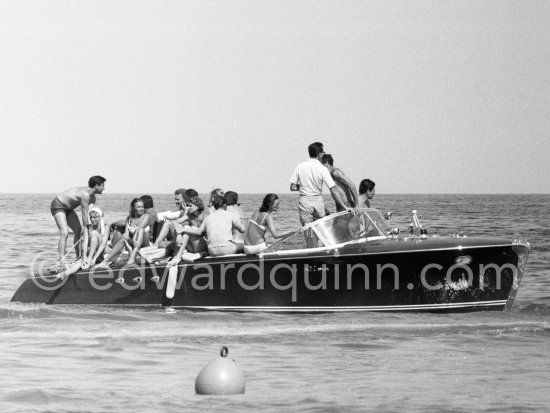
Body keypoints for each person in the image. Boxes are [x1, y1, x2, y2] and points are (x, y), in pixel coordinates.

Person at [50, 175, 106, 268]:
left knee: (78, 231)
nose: (104, 188)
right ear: (96, 186)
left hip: (68, 209)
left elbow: (91, 213)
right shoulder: (85, 194)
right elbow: (84, 213)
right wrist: (86, 228)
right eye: (102, 186)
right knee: (64, 232)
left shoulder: (92, 198)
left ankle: (78, 256)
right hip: (58, 205)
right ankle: (62, 260)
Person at [289, 142, 351, 226]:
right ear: (319, 154)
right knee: (320, 228)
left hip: (305, 201)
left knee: (308, 230)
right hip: (317, 200)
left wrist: (304, 186)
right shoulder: (322, 169)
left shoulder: (300, 166)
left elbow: (292, 187)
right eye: (322, 152)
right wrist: (345, 207)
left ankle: (310, 239)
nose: (323, 154)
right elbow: (333, 190)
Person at [94, 198, 151, 273]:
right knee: (124, 236)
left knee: (140, 230)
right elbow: (126, 234)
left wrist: (134, 238)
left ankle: (132, 259)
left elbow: (140, 227)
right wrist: (126, 242)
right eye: (138, 207)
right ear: (133, 208)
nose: (141, 209)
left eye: (142, 207)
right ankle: (105, 261)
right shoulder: (129, 218)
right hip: (133, 244)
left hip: (143, 243)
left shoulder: (146, 216)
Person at [167, 196, 208, 267]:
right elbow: (175, 222)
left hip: (201, 246)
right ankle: (178, 254)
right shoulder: (189, 216)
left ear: (197, 207)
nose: (188, 208)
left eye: (190, 206)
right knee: (181, 227)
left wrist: (182, 230)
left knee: (186, 228)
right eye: (188, 206)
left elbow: (199, 232)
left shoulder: (204, 217)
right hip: (192, 247)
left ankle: (178, 255)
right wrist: (179, 234)